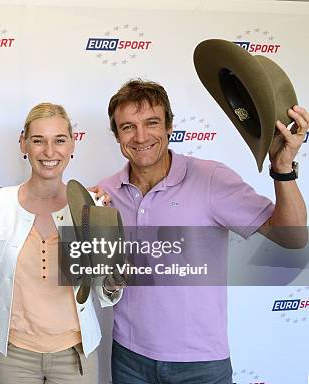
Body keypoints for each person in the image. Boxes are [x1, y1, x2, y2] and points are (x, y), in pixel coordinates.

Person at [97, 79, 307, 384]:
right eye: (128, 127)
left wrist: (283, 167)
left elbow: (292, 238)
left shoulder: (211, 179)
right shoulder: (105, 193)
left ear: (169, 126)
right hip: (130, 358)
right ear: (117, 136)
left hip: (200, 363)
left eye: (152, 123)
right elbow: (98, 279)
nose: (141, 136)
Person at [0, 103, 123, 384]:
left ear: (72, 145)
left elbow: (105, 288)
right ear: (24, 144)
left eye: (59, 140)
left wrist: (114, 281)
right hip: (13, 356)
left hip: (76, 354)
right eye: (38, 140)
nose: (49, 152)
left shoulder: (91, 205)